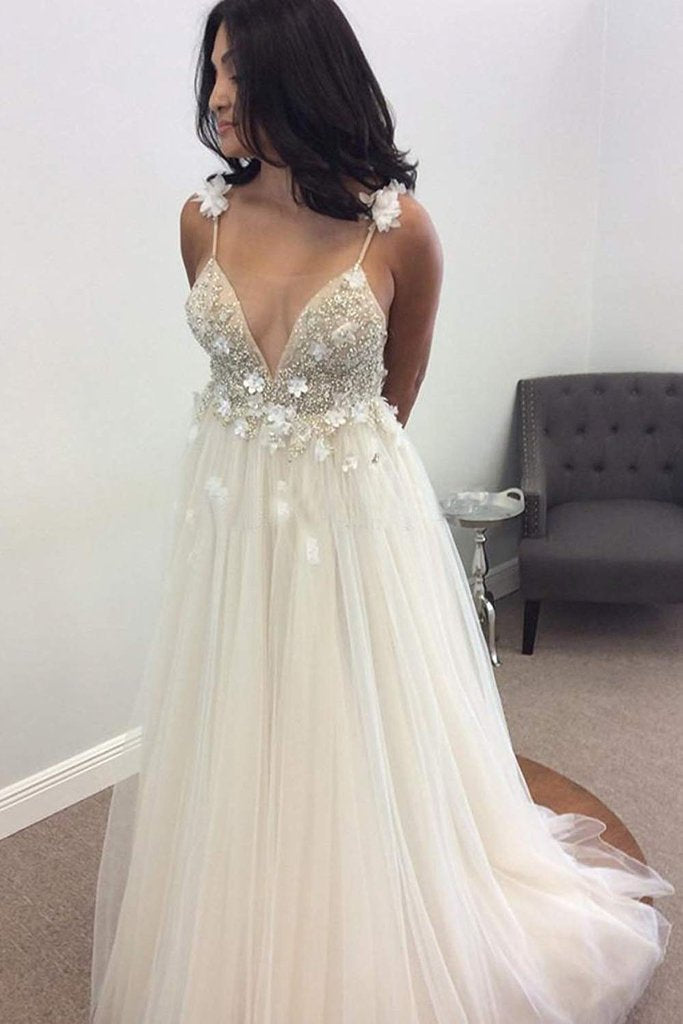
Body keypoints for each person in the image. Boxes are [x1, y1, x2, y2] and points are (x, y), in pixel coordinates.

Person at [90, 2, 674, 1021]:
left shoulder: (397, 231)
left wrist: (320, 470)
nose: (218, 97)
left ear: (305, 75)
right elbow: (231, 371)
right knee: (243, 712)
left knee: (354, 719)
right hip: (231, 517)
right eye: (213, 71)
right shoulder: (201, 220)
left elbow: (394, 397)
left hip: (351, 516)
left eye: (241, 73)